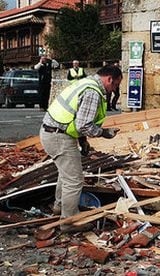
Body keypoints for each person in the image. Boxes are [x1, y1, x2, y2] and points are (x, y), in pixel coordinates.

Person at [39, 65, 122, 233]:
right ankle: (69, 222)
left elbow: (75, 119)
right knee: (74, 180)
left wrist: (83, 142)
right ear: (109, 79)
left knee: (66, 174)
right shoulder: (93, 92)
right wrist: (103, 133)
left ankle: (60, 206)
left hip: (54, 133)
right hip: (59, 137)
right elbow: (83, 124)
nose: (113, 91)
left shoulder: (85, 83)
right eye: (115, 86)